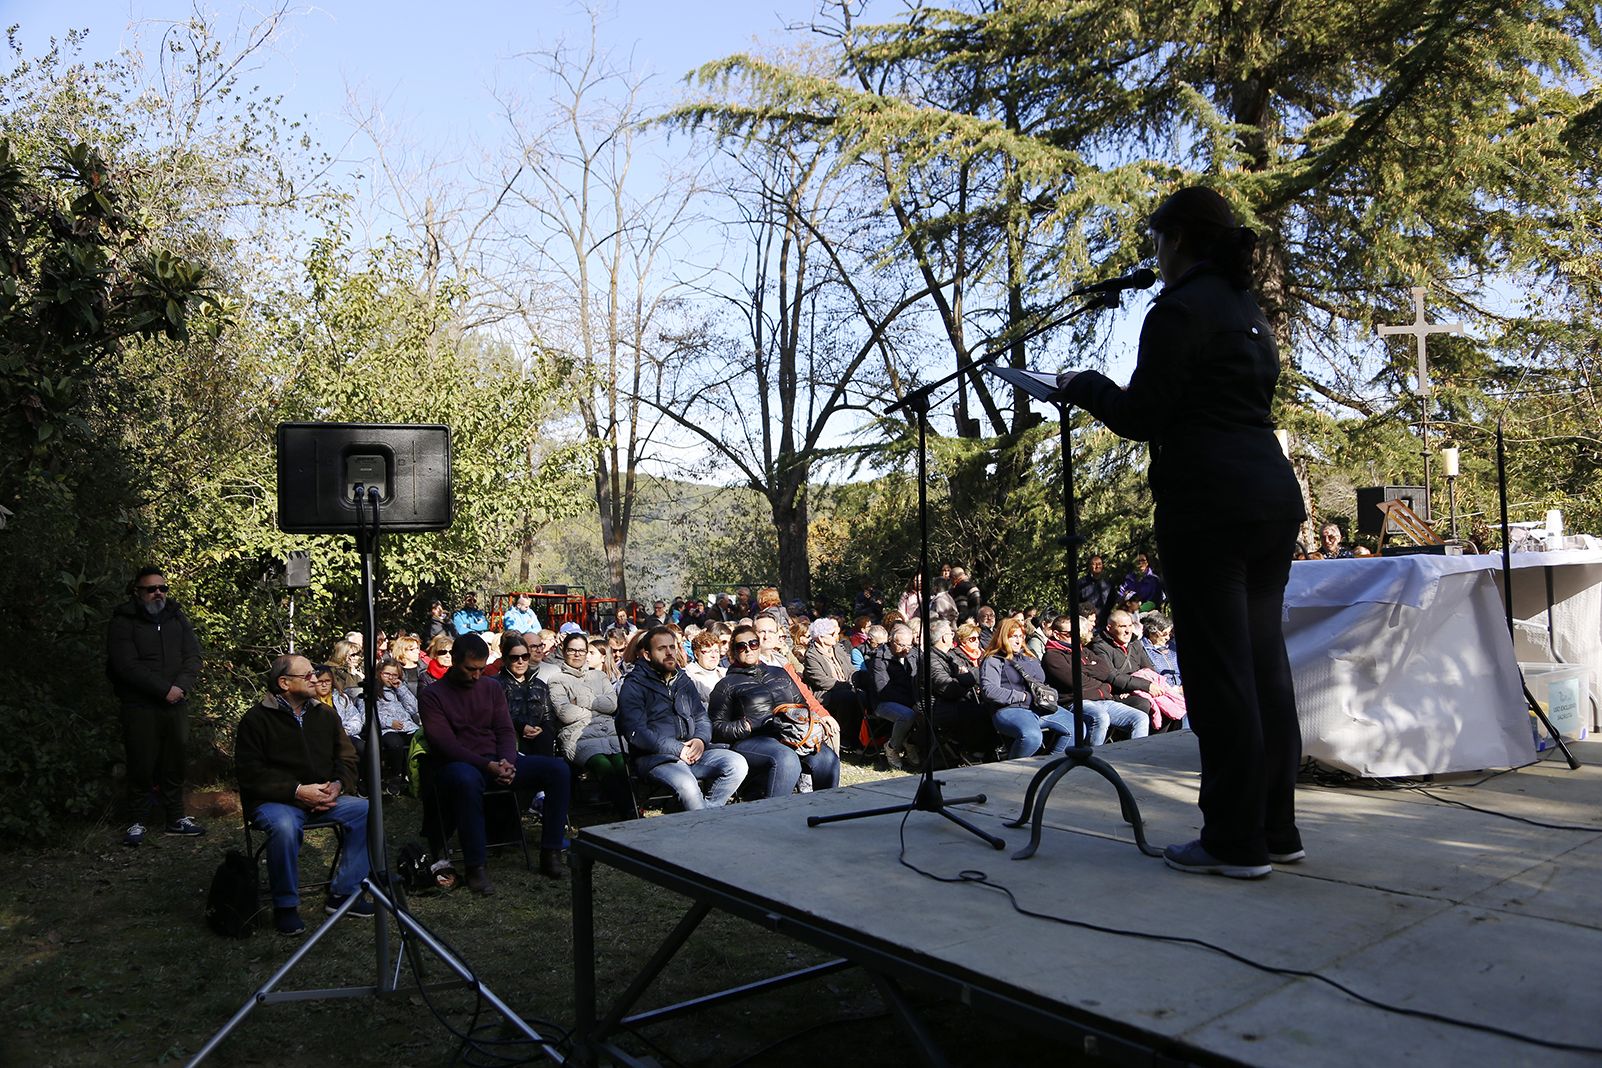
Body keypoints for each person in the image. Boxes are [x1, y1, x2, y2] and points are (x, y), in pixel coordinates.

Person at [1058, 184, 1306, 879]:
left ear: (1178, 240)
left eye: (1158, 242)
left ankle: (1233, 841)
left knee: (1221, 673)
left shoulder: (1180, 309)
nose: (1155, 256)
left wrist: (1082, 384)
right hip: (1270, 495)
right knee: (1264, 669)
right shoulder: (1245, 310)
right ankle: (1277, 828)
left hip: (1209, 504)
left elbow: (1144, 414)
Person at [419, 633, 571, 891]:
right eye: (470, 669)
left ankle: (551, 852)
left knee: (558, 769)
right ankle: (476, 866)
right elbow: (445, 744)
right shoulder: (432, 695)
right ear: (454, 661)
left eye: (480, 669)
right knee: (465, 781)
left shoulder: (490, 687)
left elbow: (504, 730)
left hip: (496, 760)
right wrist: (487, 765)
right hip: (459, 764)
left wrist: (508, 761)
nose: (476, 675)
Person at [235, 654, 372, 935]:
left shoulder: (325, 714)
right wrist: (297, 791)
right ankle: (285, 906)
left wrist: (337, 785)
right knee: (285, 826)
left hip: (324, 795)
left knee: (366, 810)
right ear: (284, 683)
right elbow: (250, 774)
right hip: (275, 801)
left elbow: (346, 757)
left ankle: (345, 894)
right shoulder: (256, 720)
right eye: (307, 675)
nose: (316, 678)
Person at [106, 567, 206, 846]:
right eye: (151, 589)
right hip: (140, 706)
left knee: (174, 762)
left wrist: (181, 687)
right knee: (141, 762)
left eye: (162, 588)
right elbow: (125, 665)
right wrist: (164, 690)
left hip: (176, 704)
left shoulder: (177, 618)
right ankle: (137, 821)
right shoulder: (123, 621)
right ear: (137, 592)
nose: (158, 593)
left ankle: (175, 818)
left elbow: (193, 656)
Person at [616, 626, 747, 811]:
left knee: (737, 764)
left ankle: (706, 813)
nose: (669, 652)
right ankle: (705, 824)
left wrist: (701, 740)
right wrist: (678, 750)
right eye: (661, 649)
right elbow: (637, 732)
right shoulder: (633, 686)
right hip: (656, 758)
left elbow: (700, 716)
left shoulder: (682, 680)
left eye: (672, 647)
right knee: (688, 785)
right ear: (647, 655)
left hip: (693, 751)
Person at [708, 624, 840, 798]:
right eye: (741, 646)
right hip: (751, 740)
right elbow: (715, 728)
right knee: (786, 758)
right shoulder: (727, 685)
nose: (748, 649)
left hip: (789, 734)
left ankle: (826, 808)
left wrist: (808, 722)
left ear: (758, 644)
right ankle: (777, 815)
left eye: (753, 643)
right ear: (734, 651)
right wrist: (746, 725)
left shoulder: (779, 673)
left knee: (826, 758)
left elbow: (802, 705)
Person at [547, 631, 632, 817]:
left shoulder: (599, 676)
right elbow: (565, 713)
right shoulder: (557, 680)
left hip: (608, 731)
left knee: (621, 762)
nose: (577, 654)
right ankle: (629, 812)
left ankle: (626, 808)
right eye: (572, 650)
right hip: (578, 735)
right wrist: (596, 706)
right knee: (603, 766)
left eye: (581, 650)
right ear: (563, 651)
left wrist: (581, 701)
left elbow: (612, 704)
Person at [1041, 615, 1151, 746]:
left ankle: (1132, 760)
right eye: (1070, 633)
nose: (1076, 637)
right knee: (1101, 717)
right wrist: (1095, 678)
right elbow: (1076, 682)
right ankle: (1093, 759)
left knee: (1140, 718)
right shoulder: (1052, 656)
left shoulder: (1084, 650)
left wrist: (1084, 670)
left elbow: (1105, 671)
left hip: (1103, 698)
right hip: (1076, 702)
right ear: (1057, 634)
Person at [978, 617, 1078, 759]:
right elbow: (990, 691)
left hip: (1041, 707)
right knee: (1032, 737)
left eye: (1021, 636)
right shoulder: (993, 660)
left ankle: (1051, 766)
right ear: (1003, 637)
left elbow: (1042, 682)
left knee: (1078, 728)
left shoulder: (1029, 656)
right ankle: (1014, 771)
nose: (1018, 641)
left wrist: (1051, 693)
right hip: (1012, 709)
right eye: (1013, 636)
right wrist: (1023, 696)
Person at [868, 622, 921, 770]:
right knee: (908, 715)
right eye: (901, 645)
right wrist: (911, 702)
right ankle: (892, 747)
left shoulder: (912, 654)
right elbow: (883, 690)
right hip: (883, 702)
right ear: (891, 641)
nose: (906, 649)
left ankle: (909, 742)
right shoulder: (879, 659)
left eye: (909, 645)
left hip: (908, 699)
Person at [497, 636, 554, 758]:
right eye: (514, 658)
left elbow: (548, 717)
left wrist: (541, 729)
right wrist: (521, 727)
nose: (520, 661)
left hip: (540, 741)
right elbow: (497, 717)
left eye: (525, 656)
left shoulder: (540, 685)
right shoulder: (495, 685)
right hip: (511, 742)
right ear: (505, 659)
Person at [372, 657, 421, 792]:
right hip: (386, 729)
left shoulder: (400, 689)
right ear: (379, 673)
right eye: (387, 674)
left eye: (394, 675)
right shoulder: (372, 691)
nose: (390, 678)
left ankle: (414, 775)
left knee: (422, 739)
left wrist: (401, 689)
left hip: (407, 727)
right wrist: (389, 723)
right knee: (395, 744)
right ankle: (395, 776)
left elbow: (414, 708)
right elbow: (368, 715)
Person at [683, 629, 727, 704]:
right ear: (696, 654)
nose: (714, 655)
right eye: (708, 651)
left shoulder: (725, 673)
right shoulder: (687, 676)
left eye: (716, 651)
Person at [1078, 555, 1116, 623]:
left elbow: (1112, 601)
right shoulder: (1081, 583)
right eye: (1094, 564)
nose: (1097, 566)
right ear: (1090, 566)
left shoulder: (1108, 583)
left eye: (1099, 564)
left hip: (1104, 620)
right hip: (1087, 621)